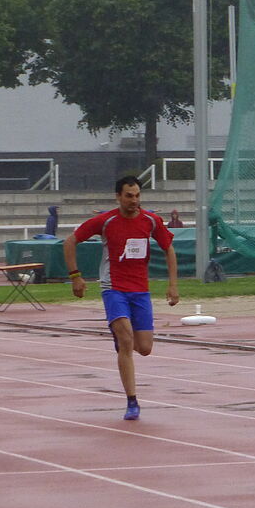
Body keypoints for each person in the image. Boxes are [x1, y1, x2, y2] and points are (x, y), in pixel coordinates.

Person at [63, 175, 179, 420]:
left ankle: (122, 339)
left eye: (137, 196)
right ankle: (132, 401)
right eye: (128, 196)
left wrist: (173, 285)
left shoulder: (150, 221)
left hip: (140, 290)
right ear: (118, 196)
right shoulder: (106, 221)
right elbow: (70, 241)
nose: (134, 201)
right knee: (126, 340)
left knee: (144, 348)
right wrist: (75, 276)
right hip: (113, 288)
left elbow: (169, 249)